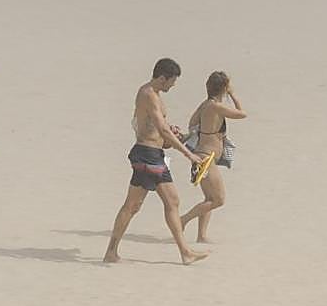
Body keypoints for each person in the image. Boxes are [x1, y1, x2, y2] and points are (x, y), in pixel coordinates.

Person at [103, 58, 209, 265]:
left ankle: (184, 252)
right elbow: (160, 129)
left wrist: (172, 133)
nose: (173, 85)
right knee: (135, 205)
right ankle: (112, 251)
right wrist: (189, 154)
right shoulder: (148, 94)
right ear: (162, 78)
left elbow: (159, 127)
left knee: (164, 202)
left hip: (153, 154)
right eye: (172, 81)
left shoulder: (156, 95)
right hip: (147, 155)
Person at [178, 72, 246, 243]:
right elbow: (242, 114)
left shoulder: (205, 105)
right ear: (223, 88)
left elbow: (192, 123)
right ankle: (182, 220)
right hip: (206, 159)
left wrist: (207, 131)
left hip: (203, 156)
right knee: (218, 199)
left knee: (209, 199)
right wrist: (232, 93)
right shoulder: (216, 106)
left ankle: (201, 235)